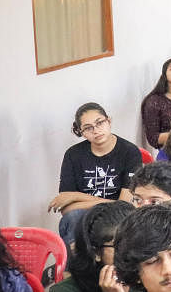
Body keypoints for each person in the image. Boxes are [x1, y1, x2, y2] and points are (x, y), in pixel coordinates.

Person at [50, 102, 142, 245]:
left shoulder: (129, 152)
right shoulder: (73, 155)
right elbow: (66, 209)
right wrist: (107, 203)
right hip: (86, 216)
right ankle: (77, 265)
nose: (96, 130)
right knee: (73, 218)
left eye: (100, 123)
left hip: (119, 215)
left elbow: (125, 205)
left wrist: (76, 196)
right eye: (88, 128)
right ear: (81, 132)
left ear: (109, 121)